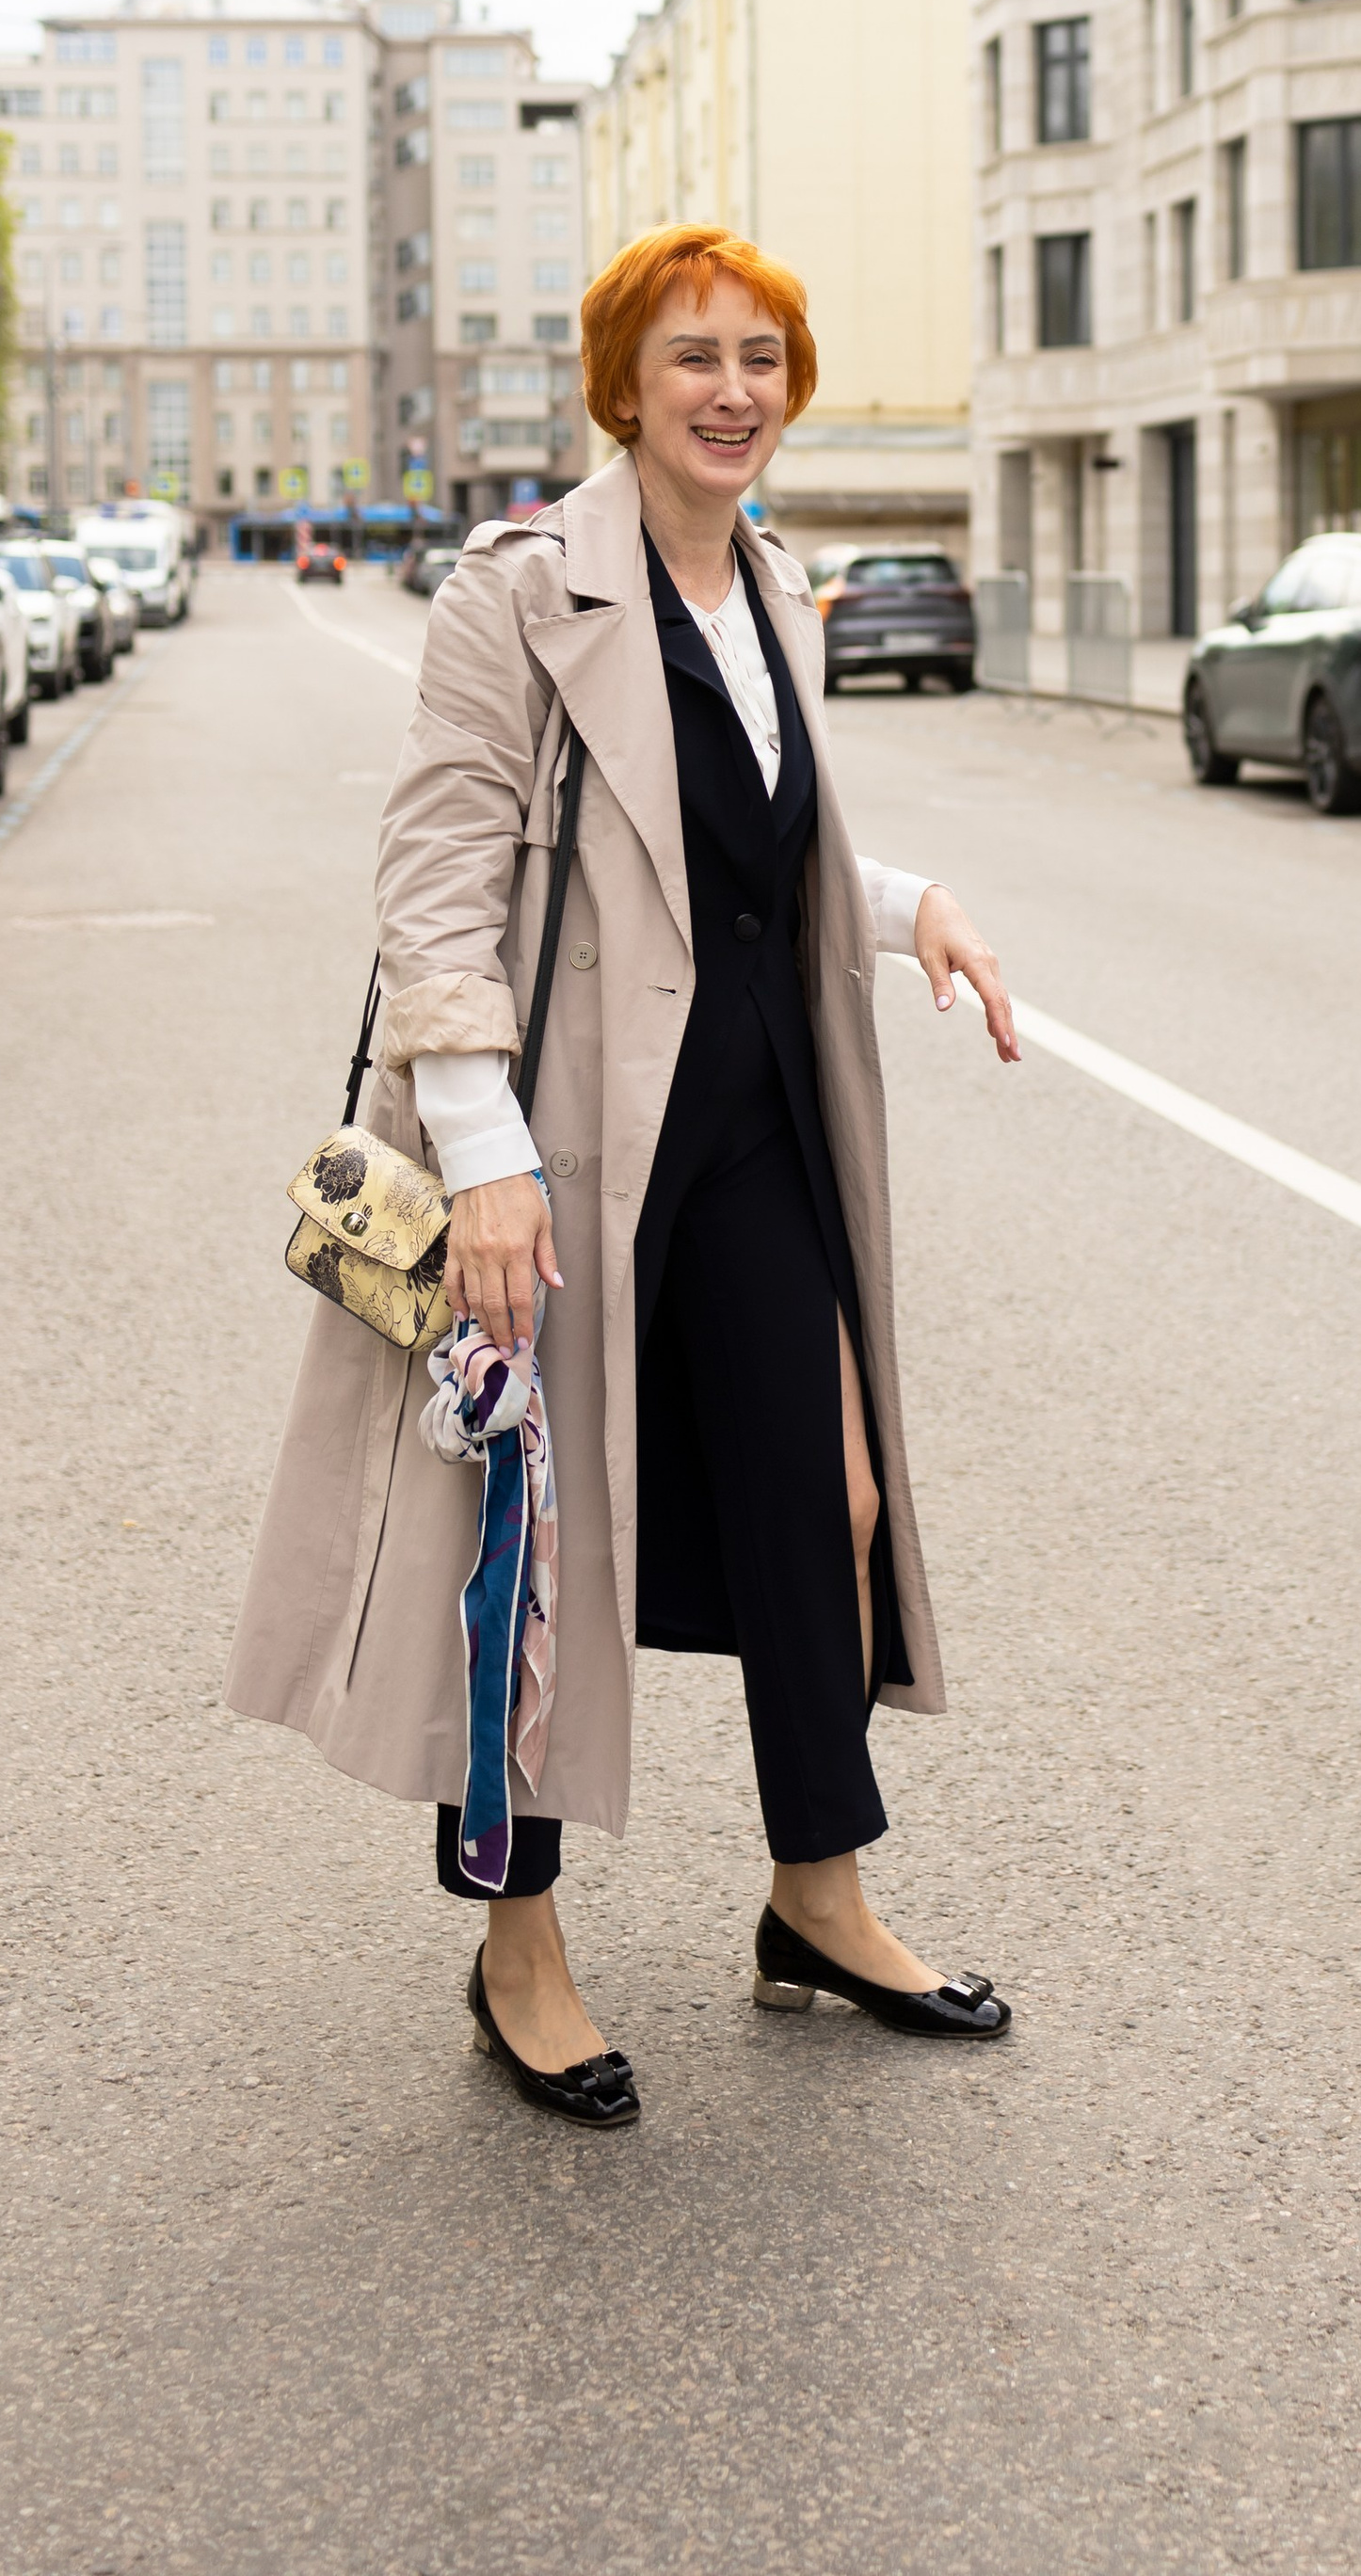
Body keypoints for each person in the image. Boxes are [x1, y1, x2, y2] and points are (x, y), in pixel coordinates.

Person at [229, 223, 1020, 2123]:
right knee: (527, 1552)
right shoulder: (517, 590)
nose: (732, 388)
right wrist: (482, 1152)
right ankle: (518, 1948)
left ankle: (816, 1896)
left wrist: (908, 907)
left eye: (762, 354)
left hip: (755, 1120)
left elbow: (757, 853)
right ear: (622, 386)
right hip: (566, 1137)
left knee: (822, 1498)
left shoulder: (779, 589)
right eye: (693, 358)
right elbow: (435, 875)